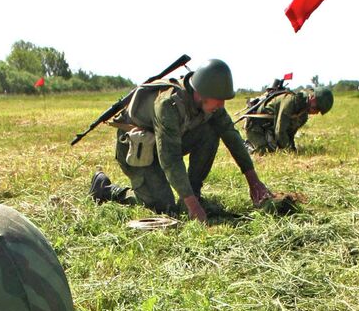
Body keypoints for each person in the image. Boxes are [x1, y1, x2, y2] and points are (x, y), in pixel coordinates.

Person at [89, 59, 272, 224]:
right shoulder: (168, 105)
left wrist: (254, 182)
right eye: (219, 100)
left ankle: (193, 191)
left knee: (211, 130)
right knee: (163, 205)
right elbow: (170, 158)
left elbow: (230, 134)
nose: (222, 106)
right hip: (138, 150)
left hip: (163, 144)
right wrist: (193, 206)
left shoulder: (211, 106)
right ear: (200, 94)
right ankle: (106, 190)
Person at [242, 85, 334, 154]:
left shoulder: (303, 116)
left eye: (319, 111)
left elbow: (290, 134)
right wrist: (289, 151)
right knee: (264, 152)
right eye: (317, 108)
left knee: (277, 150)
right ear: (312, 97)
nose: (316, 112)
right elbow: (280, 131)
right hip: (256, 126)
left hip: (270, 130)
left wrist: (292, 148)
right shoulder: (290, 102)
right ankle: (245, 146)